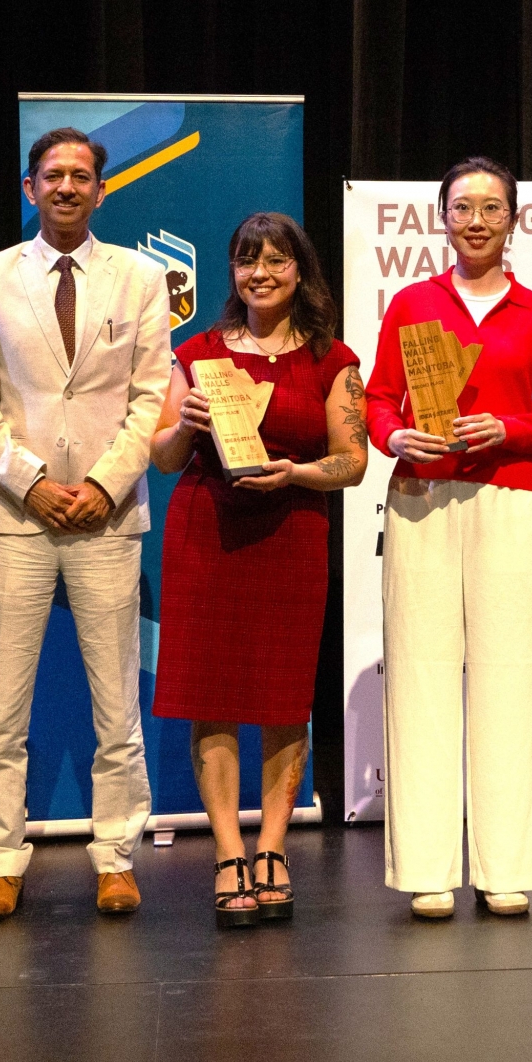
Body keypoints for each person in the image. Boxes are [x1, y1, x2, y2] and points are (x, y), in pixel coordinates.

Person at [0, 128, 171, 922]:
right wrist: (33, 481)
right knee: (3, 704)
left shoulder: (143, 277)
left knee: (116, 699)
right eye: (54, 175)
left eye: (83, 176)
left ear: (103, 191)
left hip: (108, 517)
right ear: (29, 186)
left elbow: (153, 397)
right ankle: (3, 858)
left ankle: (116, 855)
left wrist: (107, 485)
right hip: (16, 516)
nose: (69, 186)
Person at [363, 157, 532, 919]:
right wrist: (394, 439)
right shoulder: (412, 303)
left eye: (492, 206)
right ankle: (426, 865)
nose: (477, 219)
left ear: (513, 218)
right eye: (463, 206)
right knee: (419, 672)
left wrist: (508, 427)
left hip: (508, 495)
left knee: (510, 675)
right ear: (442, 216)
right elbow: (379, 400)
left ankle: (505, 865)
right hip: (421, 495)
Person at [150, 213, 367, 926]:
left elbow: (354, 460)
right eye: (248, 261)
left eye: (276, 261)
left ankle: (273, 846)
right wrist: (186, 422)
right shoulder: (199, 352)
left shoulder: (334, 360)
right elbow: (162, 456)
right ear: (233, 272)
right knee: (212, 696)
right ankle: (226, 851)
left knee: (283, 700)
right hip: (206, 531)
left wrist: (295, 472)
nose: (261, 274)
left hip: (291, 531)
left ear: (300, 272)